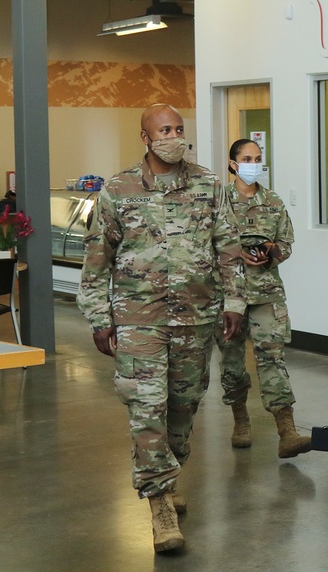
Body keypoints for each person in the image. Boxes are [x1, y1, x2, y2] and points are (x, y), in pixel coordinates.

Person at [77, 104, 245, 553]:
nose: (173, 136)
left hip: (196, 317)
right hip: (139, 320)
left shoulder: (209, 184)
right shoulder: (119, 189)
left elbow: (227, 248)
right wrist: (99, 317)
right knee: (146, 409)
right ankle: (159, 507)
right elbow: (98, 259)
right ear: (145, 138)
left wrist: (234, 302)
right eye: (164, 130)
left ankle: (169, 477)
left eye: (178, 129)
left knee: (183, 408)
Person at [214, 139, 312, 458]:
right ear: (233, 164)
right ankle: (240, 419)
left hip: (267, 293)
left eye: (257, 158)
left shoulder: (273, 201)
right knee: (232, 364)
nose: (253, 164)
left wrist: (271, 254)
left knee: (273, 360)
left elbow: (286, 241)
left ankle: (287, 431)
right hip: (228, 297)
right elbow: (203, 245)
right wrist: (237, 253)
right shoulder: (218, 202)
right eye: (246, 158)